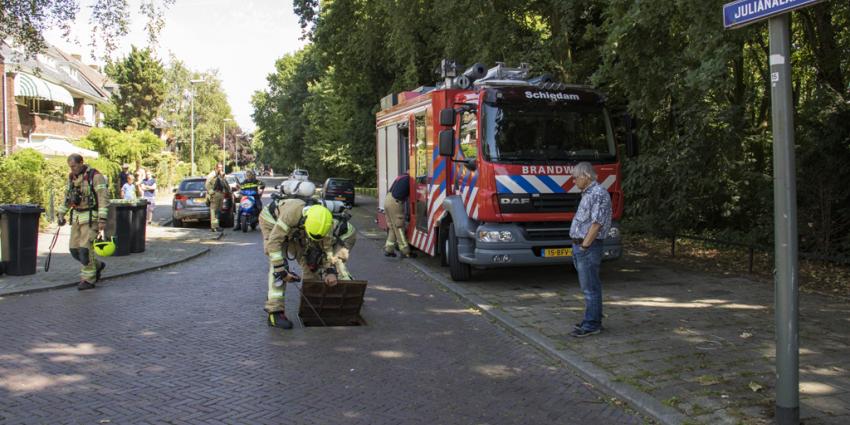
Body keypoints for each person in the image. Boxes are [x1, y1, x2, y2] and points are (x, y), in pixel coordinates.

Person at [258, 199, 340, 329]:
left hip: (297, 229)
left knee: (311, 261)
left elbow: (327, 248)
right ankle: (275, 312)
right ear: (305, 222)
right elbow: (273, 244)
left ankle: (311, 304)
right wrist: (282, 270)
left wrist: (330, 271)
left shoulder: (326, 223)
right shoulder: (291, 215)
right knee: (279, 266)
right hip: (272, 223)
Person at [568, 162, 613, 338]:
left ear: (585, 176)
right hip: (582, 245)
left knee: (590, 287)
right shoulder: (588, 193)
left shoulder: (598, 193)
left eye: (575, 177)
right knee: (590, 285)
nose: (573, 181)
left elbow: (597, 223)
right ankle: (592, 319)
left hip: (588, 246)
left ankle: (592, 324)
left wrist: (585, 245)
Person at [56, 154, 110, 290]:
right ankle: (97, 265)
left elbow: (103, 198)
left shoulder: (95, 177)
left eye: (74, 166)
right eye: (70, 167)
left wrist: (102, 219)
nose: (72, 169)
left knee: (85, 251)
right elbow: (68, 199)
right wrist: (61, 214)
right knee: (74, 250)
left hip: (91, 219)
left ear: (81, 163)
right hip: (77, 219)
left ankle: (88, 280)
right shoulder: (72, 178)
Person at [383, 171, 414, 258]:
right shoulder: (409, 179)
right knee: (399, 227)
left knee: (393, 227)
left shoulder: (402, 177)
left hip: (387, 200)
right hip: (395, 203)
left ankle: (389, 250)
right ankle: (405, 251)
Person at [205, 163, 230, 232]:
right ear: (215, 167)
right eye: (219, 167)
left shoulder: (221, 175)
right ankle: (213, 227)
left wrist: (227, 191)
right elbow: (207, 184)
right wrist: (212, 193)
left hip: (221, 194)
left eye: (221, 167)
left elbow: (225, 183)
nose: (220, 169)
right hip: (215, 194)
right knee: (213, 211)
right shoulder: (212, 174)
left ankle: (217, 226)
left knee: (218, 211)